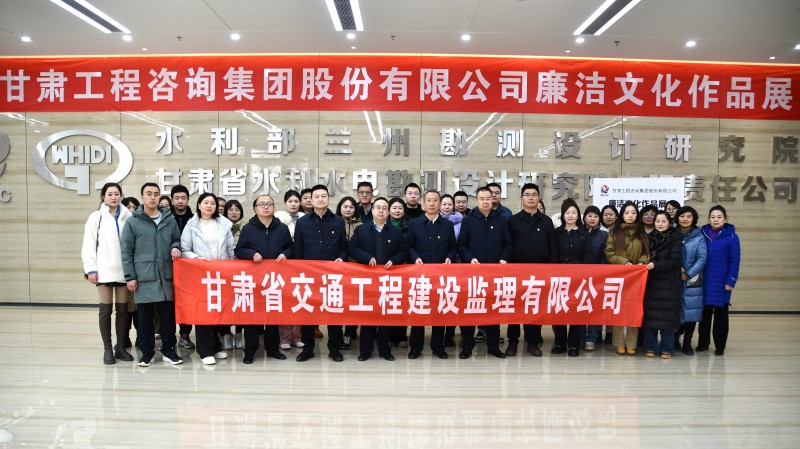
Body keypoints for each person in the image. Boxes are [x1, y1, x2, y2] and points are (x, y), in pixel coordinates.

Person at [121, 182, 183, 367]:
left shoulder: (169, 219)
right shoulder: (133, 222)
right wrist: (130, 276)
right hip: (144, 277)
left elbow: (177, 239)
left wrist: (175, 247)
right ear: (142, 197)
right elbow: (126, 251)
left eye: (156, 194)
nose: (153, 197)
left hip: (165, 276)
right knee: (145, 319)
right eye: (149, 194)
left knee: (167, 318)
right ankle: (147, 353)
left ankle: (169, 351)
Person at [234, 195, 294, 364]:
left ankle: (272, 348)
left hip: (275, 280)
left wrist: (286, 254)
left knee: (273, 316)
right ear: (255, 208)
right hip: (254, 280)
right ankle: (250, 350)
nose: (266, 207)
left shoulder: (282, 228)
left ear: (274, 207)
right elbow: (239, 250)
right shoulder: (248, 228)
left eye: (269, 204)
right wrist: (251, 254)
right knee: (252, 316)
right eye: (262, 204)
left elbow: (291, 247)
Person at [293, 185, 348, 362]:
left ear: (328, 199)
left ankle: (334, 348)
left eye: (323, 196)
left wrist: (341, 258)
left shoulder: (338, 221)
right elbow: (298, 250)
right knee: (308, 313)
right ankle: (308, 348)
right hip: (309, 276)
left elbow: (344, 247)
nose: (320, 199)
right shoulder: (302, 222)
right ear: (311, 200)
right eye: (316, 196)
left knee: (333, 312)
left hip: (333, 277)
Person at [348, 197, 408, 361]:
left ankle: (384, 350)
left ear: (388, 212)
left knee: (385, 316)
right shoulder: (361, 229)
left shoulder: (396, 232)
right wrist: (366, 257)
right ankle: (365, 351)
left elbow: (404, 251)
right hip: (367, 280)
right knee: (367, 316)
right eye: (378, 207)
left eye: (384, 208)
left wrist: (394, 260)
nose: (381, 211)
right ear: (373, 210)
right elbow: (352, 248)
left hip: (387, 280)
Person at [457, 186, 513, 359]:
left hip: (494, 274)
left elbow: (508, 244)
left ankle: (493, 347)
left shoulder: (500, 220)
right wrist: (470, 258)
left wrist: (503, 258)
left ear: (493, 199)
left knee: (493, 311)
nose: (486, 201)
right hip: (473, 274)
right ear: (477, 200)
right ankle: (467, 347)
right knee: (470, 311)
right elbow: (461, 245)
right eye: (482, 199)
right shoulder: (469, 220)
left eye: (488, 198)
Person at [180, 193, 235, 365]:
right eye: (205, 202)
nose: (209, 206)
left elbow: (230, 249)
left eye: (212, 203)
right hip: (200, 275)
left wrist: (233, 267)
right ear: (199, 205)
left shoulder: (224, 224)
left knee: (217, 311)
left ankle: (216, 346)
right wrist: (197, 258)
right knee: (202, 312)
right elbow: (184, 249)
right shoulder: (191, 225)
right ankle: (205, 351)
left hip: (221, 275)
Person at [82, 182, 134, 365]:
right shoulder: (96, 217)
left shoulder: (129, 216)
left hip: (123, 271)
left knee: (123, 311)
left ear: (121, 196)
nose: (113, 197)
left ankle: (120, 347)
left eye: (116, 194)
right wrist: (90, 269)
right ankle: (107, 348)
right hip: (103, 271)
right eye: (110, 194)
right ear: (103, 197)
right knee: (105, 311)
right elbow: (88, 244)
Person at [505, 183, 556, 357]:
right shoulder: (513, 221)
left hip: (540, 274)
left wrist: (552, 272)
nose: (531, 198)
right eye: (527, 195)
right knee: (514, 309)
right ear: (521, 198)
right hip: (516, 273)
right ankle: (512, 342)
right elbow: (508, 246)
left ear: (539, 198)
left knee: (535, 308)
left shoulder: (546, 221)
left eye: (534, 194)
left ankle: (532, 343)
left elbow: (552, 248)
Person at [406, 190, 457, 360]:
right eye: (429, 200)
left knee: (439, 311)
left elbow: (453, 247)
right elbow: (409, 246)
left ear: (440, 204)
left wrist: (449, 257)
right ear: (423, 203)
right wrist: (415, 258)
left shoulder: (447, 225)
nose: (432, 203)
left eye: (435, 200)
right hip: (420, 275)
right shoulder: (415, 224)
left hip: (440, 275)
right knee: (418, 310)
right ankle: (415, 347)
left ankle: (438, 347)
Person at [605, 201, 650, 356]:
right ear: (622, 215)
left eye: (633, 212)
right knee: (619, 309)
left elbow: (647, 252)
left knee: (634, 309)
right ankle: (619, 343)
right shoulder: (614, 232)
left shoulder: (642, 232)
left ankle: (631, 343)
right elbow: (609, 252)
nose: (630, 215)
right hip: (620, 275)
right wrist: (624, 262)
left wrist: (642, 262)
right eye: (627, 212)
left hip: (637, 276)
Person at [553, 199, 593, 357]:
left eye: (574, 212)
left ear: (578, 215)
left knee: (576, 310)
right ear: (563, 215)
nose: (570, 215)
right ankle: (559, 343)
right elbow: (553, 255)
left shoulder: (584, 234)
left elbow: (588, 257)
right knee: (559, 309)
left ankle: (574, 345)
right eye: (567, 213)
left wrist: (583, 274)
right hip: (559, 276)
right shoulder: (556, 233)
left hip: (578, 277)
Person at [698, 205, 740, 356]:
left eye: (719, 217)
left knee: (721, 315)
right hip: (704, 280)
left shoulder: (732, 237)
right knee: (704, 314)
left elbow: (735, 261)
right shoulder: (701, 234)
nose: (715, 220)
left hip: (722, 282)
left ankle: (720, 346)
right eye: (713, 217)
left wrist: (731, 280)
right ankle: (703, 343)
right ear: (709, 218)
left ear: (725, 219)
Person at [641, 211, 683, 359]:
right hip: (651, 284)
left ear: (669, 223)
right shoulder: (649, 238)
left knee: (667, 319)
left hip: (669, 284)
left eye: (663, 221)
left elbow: (675, 261)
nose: (660, 224)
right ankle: (650, 347)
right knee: (650, 318)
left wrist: (656, 265)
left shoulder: (675, 238)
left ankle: (667, 348)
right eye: (657, 221)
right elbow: (644, 256)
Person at [274, 190, 306, 350]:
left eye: (296, 201)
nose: (293, 204)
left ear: (300, 203)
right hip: (283, 265)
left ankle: (297, 337)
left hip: (301, 266)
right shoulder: (278, 220)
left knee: (299, 300)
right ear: (285, 203)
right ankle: (284, 338)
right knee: (285, 302)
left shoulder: (305, 219)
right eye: (290, 201)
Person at [674, 205, 707, 355]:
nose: (685, 219)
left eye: (689, 216)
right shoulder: (672, 234)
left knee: (692, 311)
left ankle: (687, 343)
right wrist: (677, 270)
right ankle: (675, 339)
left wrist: (687, 274)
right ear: (677, 218)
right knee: (675, 309)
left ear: (694, 219)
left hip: (693, 279)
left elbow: (702, 258)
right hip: (674, 277)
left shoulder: (699, 236)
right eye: (682, 216)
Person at [170, 184, 196, 350]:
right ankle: (168, 335)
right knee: (169, 302)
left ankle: (185, 335)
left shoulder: (194, 219)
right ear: (172, 200)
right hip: (168, 265)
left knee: (187, 301)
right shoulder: (165, 218)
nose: (180, 201)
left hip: (190, 268)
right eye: (177, 198)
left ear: (188, 199)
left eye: (183, 198)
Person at [335, 195, 362, 350]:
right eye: (345, 206)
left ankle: (349, 334)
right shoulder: (334, 223)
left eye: (351, 207)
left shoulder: (362, 226)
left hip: (356, 270)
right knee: (338, 302)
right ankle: (337, 334)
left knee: (353, 303)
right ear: (340, 208)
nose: (348, 209)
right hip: (338, 270)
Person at [218, 199, 245, 351]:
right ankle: (226, 334)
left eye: (237, 209)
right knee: (225, 304)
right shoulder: (219, 227)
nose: (234, 212)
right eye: (230, 210)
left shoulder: (247, 228)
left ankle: (239, 334)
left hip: (242, 273)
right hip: (223, 272)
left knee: (240, 303)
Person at [581, 205, 607, 350]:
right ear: (584, 217)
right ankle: (580, 336)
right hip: (579, 277)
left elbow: (605, 257)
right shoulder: (579, 232)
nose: (592, 219)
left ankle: (591, 338)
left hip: (597, 277)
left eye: (596, 216)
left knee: (593, 308)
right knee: (579, 307)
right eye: (590, 215)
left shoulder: (604, 235)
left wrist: (598, 272)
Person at [439, 193, 463, 347]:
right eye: (444, 204)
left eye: (449, 204)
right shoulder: (436, 221)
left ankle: (450, 334)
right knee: (441, 300)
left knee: (453, 300)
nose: (447, 207)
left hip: (457, 265)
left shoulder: (462, 221)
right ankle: (439, 333)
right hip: (440, 265)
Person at [387, 197, 411, 348]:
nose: (397, 211)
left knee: (402, 303)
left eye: (400, 208)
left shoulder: (411, 225)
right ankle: (388, 336)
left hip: (404, 268)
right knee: (388, 302)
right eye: (394, 208)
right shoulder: (382, 223)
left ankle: (401, 335)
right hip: (386, 269)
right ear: (389, 210)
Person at [120, 196, 141, 347]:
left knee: (140, 309)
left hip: (139, 272)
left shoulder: (140, 223)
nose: (131, 210)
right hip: (121, 273)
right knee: (124, 309)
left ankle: (141, 337)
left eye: (134, 207)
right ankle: (124, 338)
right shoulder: (119, 223)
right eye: (128, 207)